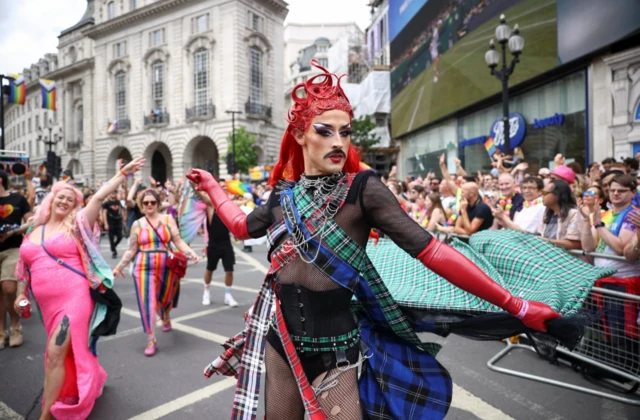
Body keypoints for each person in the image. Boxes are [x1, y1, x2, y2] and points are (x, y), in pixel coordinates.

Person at [187, 60, 560, 420]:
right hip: (279, 342)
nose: (339, 142)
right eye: (325, 130)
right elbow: (240, 226)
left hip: (335, 350)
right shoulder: (283, 195)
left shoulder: (364, 190)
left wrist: (516, 305)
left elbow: (431, 251)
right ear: (300, 135)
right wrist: (213, 189)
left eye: (345, 132)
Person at [13, 157, 144, 419]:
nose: (63, 202)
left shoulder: (76, 225)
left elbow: (97, 199)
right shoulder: (33, 231)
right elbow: (22, 268)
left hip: (75, 296)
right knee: (63, 354)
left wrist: (122, 175)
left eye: (70, 200)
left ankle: (46, 415)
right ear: (51, 200)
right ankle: (90, 379)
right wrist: (19, 295)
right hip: (47, 304)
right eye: (60, 197)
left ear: (74, 205)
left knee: (55, 354)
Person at [113, 188, 200, 356]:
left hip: (166, 265)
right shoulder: (137, 224)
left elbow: (178, 241)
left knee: (166, 297)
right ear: (141, 205)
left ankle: (165, 315)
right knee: (148, 302)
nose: (149, 205)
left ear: (158, 204)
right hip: (142, 266)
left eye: (153, 202)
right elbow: (131, 250)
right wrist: (118, 268)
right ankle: (151, 338)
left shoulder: (168, 219)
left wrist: (191, 252)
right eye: (146, 203)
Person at [581, 174, 640, 277]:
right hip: (600, 277)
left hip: (622, 280)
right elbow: (588, 248)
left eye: (621, 191)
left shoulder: (634, 215)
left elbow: (620, 249)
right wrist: (586, 220)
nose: (616, 193)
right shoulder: (604, 215)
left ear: (633, 193)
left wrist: (599, 224)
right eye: (612, 190)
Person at [0, 170, 33, 350]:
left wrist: (13, 232)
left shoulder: (18, 199)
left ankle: (15, 327)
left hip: (13, 248)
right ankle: (2, 331)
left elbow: (31, 222)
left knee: (9, 288)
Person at [198, 188, 238, 308]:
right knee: (209, 269)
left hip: (226, 244)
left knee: (229, 270)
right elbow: (202, 196)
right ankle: (206, 293)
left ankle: (228, 295)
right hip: (213, 244)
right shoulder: (211, 206)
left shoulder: (229, 208)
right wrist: (195, 184)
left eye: (225, 192)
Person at [101, 191, 124, 258]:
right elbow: (104, 213)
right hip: (110, 221)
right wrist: (105, 223)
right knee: (111, 237)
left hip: (118, 220)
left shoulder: (118, 202)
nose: (113, 194)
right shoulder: (106, 203)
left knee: (120, 236)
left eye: (114, 193)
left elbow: (121, 210)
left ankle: (113, 246)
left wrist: (123, 220)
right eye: (112, 193)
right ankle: (114, 251)